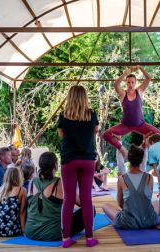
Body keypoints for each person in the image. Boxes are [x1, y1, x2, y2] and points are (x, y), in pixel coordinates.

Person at [58, 85, 99, 248]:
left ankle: (66, 239)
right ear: (84, 97)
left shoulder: (63, 115)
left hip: (69, 160)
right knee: (86, 199)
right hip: (87, 160)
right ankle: (89, 238)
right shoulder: (91, 114)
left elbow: (61, 134)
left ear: (70, 97)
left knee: (68, 199)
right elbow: (95, 130)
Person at [103, 66, 160, 163]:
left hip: (140, 125)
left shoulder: (139, 91)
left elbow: (149, 78)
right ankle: (123, 150)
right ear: (126, 83)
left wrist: (140, 67)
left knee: (158, 134)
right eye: (128, 82)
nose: (130, 84)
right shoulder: (123, 94)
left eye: (133, 82)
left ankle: (142, 147)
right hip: (125, 125)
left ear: (135, 83)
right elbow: (116, 84)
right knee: (105, 135)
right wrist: (125, 74)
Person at [25, 152, 86, 241]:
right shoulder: (61, 183)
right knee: (91, 209)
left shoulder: (32, 182)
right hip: (53, 234)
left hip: (30, 232)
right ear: (55, 166)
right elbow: (82, 203)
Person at [102, 144, 158, 229]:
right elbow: (147, 200)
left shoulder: (121, 178)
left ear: (129, 160)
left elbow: (120, 204)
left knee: (105, 206)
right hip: (149, 221)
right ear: (142, 160)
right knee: (157, 203)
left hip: (127, 223)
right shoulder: (149, 177)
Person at [0, 167, 27, 237]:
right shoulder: (22, 190)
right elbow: (22, 212)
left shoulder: (1, 189)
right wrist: (23, 230)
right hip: (10, 229)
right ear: (19, 177)